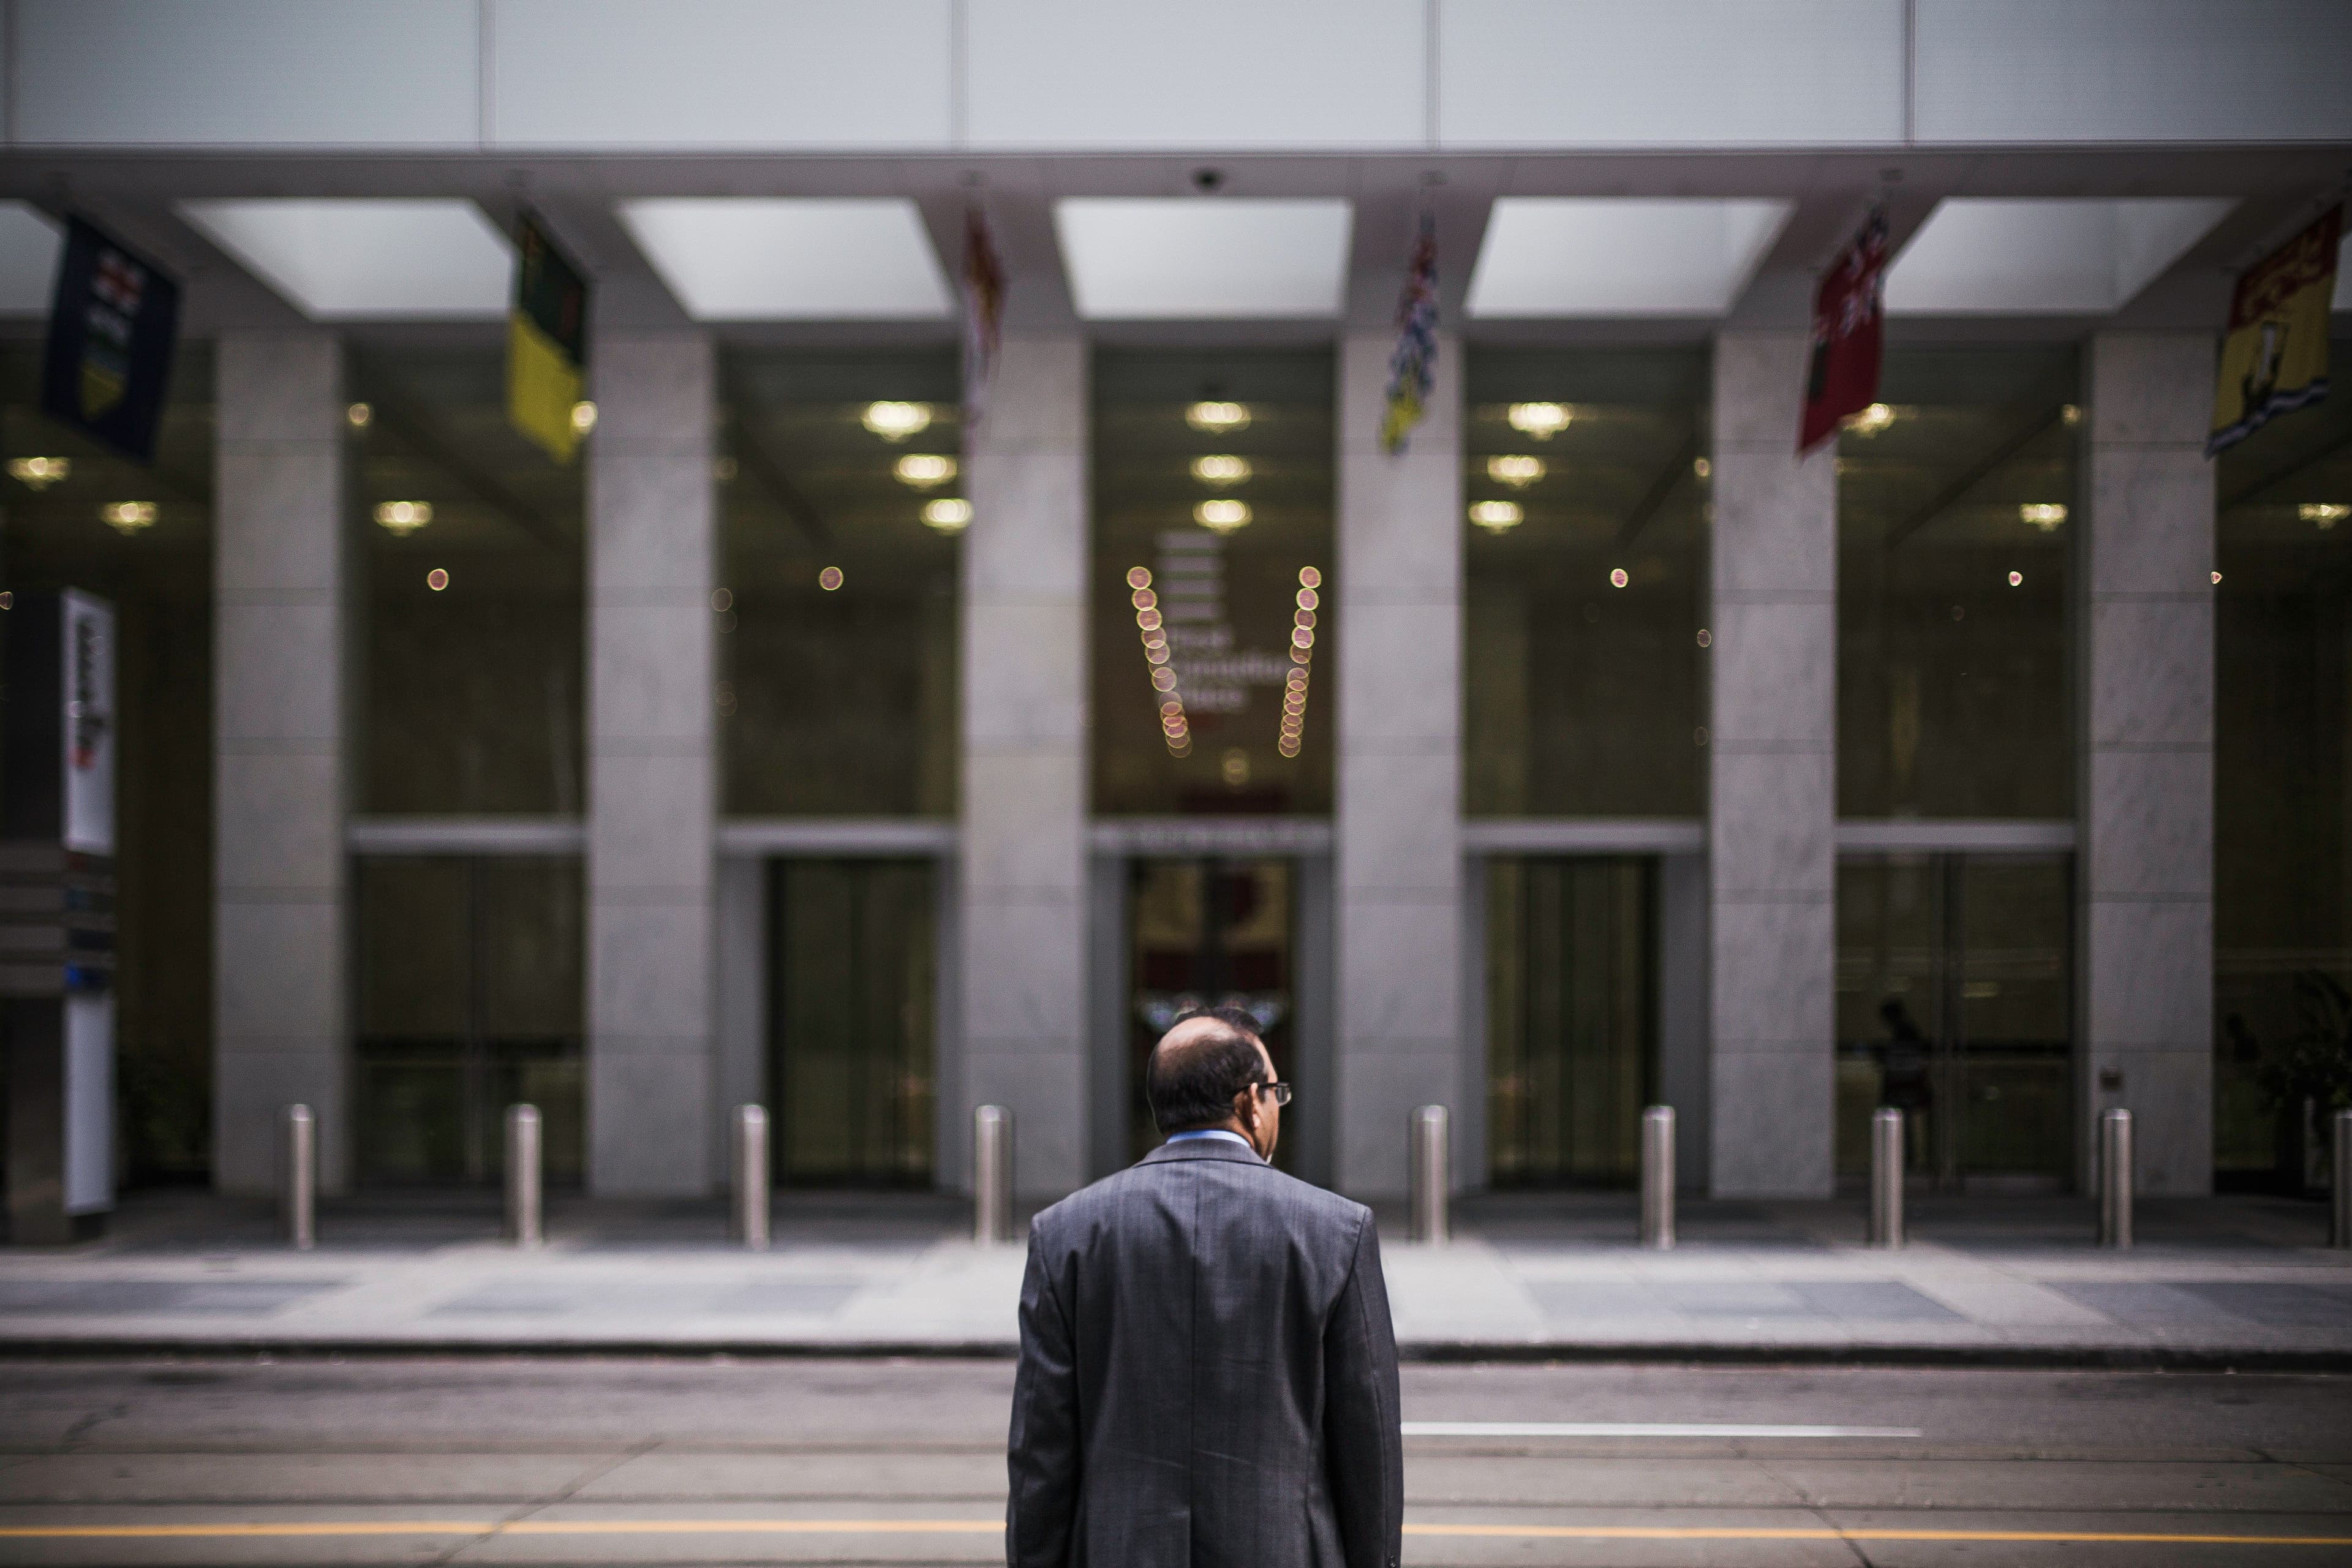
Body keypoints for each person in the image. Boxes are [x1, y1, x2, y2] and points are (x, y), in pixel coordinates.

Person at [1006, 1005, 1402, 1568]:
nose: (1277, 1107)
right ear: (1249, 1102)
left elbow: (1040, 1453)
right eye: (1276, 1092)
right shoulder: (1336, 1230)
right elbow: (1370, 1450)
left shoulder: (1066, 1232)